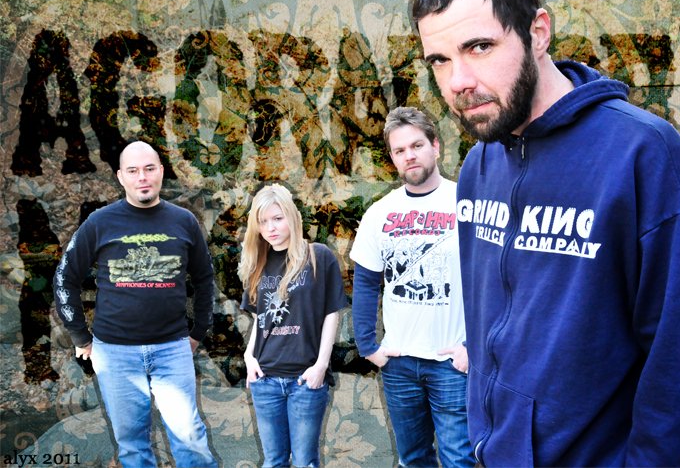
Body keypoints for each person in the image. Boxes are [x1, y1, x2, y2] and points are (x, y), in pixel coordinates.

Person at [410, 0, 680, 467]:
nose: (458, 82)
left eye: (479, 47)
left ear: (538, 32)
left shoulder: (642, 155)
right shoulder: (479, 165)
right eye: (440, 59)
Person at [53, 141, 217, 467]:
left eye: (149, 168)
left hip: (172, 348)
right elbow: (64, 277)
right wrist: (80, 337)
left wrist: (198, 331)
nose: (142, 177)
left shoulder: (184, 221)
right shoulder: (99, 222)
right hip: (115, 354)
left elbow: (204, 278)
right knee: (132, 444)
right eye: (133, 170)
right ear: (121, 177)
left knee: (190, 438)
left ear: (161, 172)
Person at [350, 106, 474, 468]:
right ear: (392, 158)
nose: (410, 155)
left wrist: (474, 347)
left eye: (417, 145)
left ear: (435, 146)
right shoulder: (379, 213)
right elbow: (366, 282)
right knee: (413, 459)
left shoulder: (465, 204)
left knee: (459, 460)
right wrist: (368, 346)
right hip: (399, 363)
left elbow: (493, 281)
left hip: (451, 362)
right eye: (400, 150)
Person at [238, 184, 349, 468]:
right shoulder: (257, 264)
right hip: (265, 379)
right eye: (263, 221)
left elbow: (331, 313)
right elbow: (260, 319)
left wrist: (321, 366)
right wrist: (249, 356)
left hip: (304, 380)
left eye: (278, 218)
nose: (271, 228)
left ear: (292, 216)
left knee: (304, 462)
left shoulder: (318, 256)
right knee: (274, 461)